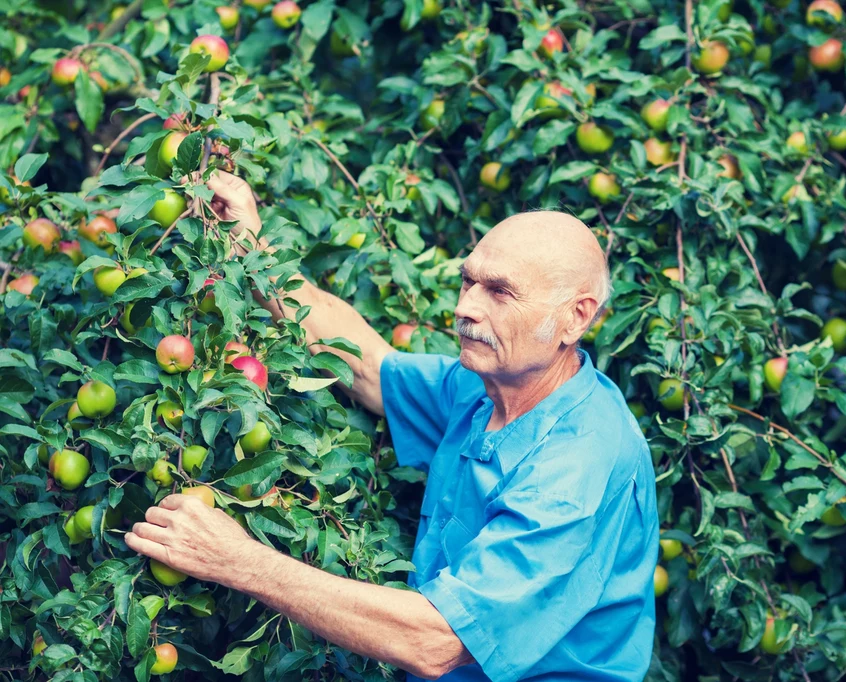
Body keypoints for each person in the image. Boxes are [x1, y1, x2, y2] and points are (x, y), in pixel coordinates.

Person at [125, 171, 660, 681]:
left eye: (500, 292)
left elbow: (436, 640)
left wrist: (238, 560)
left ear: (575, 317)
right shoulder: (485, 387)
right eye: (468, 280)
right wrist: (252, 250)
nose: (465, 307)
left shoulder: (577, 464)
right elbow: (367, 368)